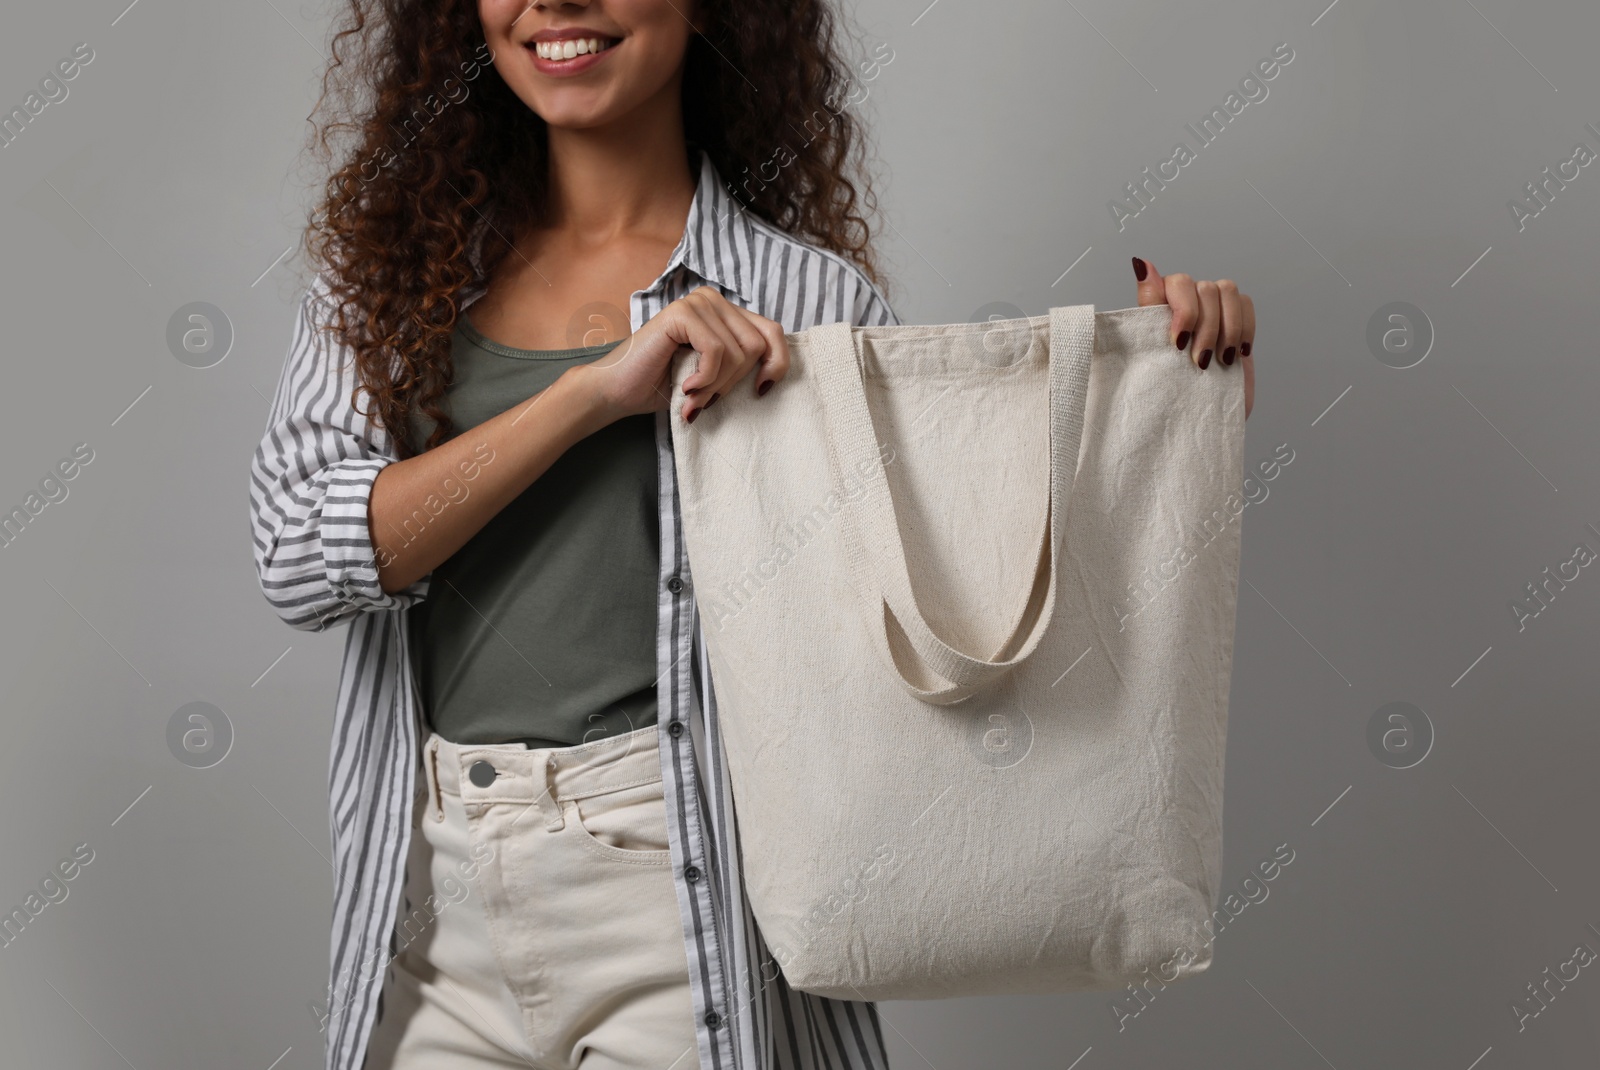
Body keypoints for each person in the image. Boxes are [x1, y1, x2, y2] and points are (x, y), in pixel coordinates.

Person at [247, 2, 1256, 1069]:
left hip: (675, 892)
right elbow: (302, 557)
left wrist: (1163, 404)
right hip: (429, 899)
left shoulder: (808, 302)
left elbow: (947, 620)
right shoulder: (385, 283)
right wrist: (592, 396)